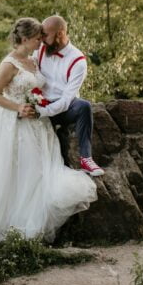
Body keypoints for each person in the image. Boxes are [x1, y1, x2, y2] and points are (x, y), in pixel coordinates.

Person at [0, 18, 97, 244]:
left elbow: (44, 85)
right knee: (13, 171)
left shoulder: (34, 60)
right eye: (37, 39)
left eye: (42, 38)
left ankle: (32, 224)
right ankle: (9, 224)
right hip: (12, 120)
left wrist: (45, 105)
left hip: (38, 122)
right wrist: (19, 107)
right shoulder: (9, 64)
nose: (41, 42)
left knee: (38, 171)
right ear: (24, 39)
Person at [33, 15, 104, 176]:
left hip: (63, 109)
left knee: (84, 106)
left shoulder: (78, 60)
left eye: (45, 35)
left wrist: (43, 112)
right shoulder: (40, 50)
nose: (41, 39)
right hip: (39, 103)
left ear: (59, 34)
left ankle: (86, 158)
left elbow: (66, 100)